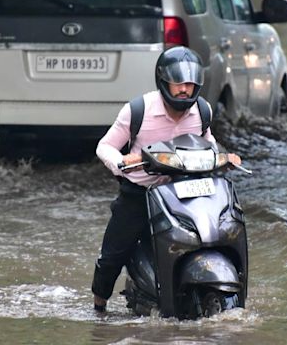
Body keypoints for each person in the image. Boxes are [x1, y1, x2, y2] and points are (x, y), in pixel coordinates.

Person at [91, 46, 242, 312]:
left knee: (217, 232)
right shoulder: (138, 110)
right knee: (113, 255)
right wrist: (120, 161)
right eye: (178, 84)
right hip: (141, 193)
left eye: (190, 84)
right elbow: (105, 146)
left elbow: (209, 144)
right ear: (164, 82)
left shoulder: (202, 111)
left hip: (186, 191)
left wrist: (224, 157)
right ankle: (99, 306)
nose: (185, 89)